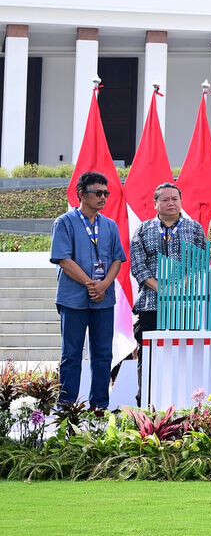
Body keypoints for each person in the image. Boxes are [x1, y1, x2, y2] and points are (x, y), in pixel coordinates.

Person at [50, 171, 127, 411]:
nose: (103, 197)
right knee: (71, 355)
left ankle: (100, 406)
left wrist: (103, 285)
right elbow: (63, 259)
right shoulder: (64, 222)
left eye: (106, 193)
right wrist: (90, 284)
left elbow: (118, 259)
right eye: (98, 193)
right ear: (82, 194)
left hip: (103, 300)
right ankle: (67, 406)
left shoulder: (110, 225)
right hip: (73, 299)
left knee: (103, 354)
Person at [128, 181, 206, 402]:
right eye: (165, 199)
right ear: (156, 204)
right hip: (152, 305)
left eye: (175, 199)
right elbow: (138, 266)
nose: (171, 203)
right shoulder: (143, 230)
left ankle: (186, 402)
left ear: (181, 202)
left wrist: (183, 286)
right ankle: (147, 403)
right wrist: (162, 288)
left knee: (185, 355)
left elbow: (201, 263)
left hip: (186, 305)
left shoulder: (195, 229)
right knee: (150, 356)